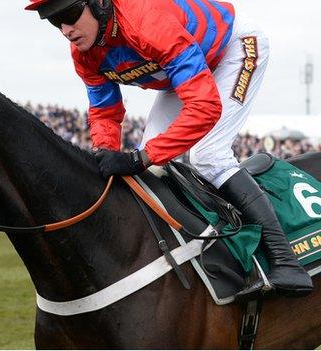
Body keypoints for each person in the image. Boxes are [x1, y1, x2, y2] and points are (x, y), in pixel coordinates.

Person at [25, 0, 313, 300]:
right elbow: (105, 111)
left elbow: (204, 107)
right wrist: (104, 155)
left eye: (70, 16)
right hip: (185, 70)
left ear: (98, 3)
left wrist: (140, 157)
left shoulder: (146, 23)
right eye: (55, 21)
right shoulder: (85, 54)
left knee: (208, 156)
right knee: (150, 171)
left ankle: (286, 261)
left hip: (233, 50)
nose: (66, 30)